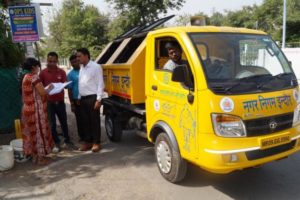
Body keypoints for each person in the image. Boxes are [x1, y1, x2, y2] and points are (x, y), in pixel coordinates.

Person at [21, 58, 54, 165]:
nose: (38, 69)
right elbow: (43, 93)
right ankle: (41, 158)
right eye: (37, 66)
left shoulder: (25, 77)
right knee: (39, 132)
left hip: (27, 110)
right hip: (36, 111)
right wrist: (51, 88)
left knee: (32, 134)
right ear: (33, 67)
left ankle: (35, 156)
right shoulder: (34, 77)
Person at [39, 52, 71, 152]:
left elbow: (65, 84)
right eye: (50, 61)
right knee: (52, 124)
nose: (52, 63)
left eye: (54, 61)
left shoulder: (61, 72)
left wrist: (64, 85)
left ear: (57, 61)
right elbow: (40, 88)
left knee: (63, 121)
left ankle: (67, 140)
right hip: (49, 103)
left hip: (60, 102)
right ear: (47, 60)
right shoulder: (43, 73)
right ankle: (56, 142)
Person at [77, 48, 104, 152]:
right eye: (77, 57)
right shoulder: (82, 68)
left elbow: (100, 84)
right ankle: (88, 142)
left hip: (92, 98)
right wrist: (79, 96)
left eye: (79, 56)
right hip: (83, 98)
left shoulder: (95, 67)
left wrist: (98, 99)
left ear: (86, 55)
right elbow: (81, 83)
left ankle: (96, 142)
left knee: (94, 121)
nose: (78, 58)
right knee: (85, 122)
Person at [67, 54, 84, 142]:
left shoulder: (84, 70)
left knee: (87, 118)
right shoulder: (70, 75)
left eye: (76, 61)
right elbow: (69, 90)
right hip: (76, 100)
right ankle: (82, 136)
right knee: (80, 119)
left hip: (85, 98)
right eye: (72, 62)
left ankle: (90, 136)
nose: (74, 63)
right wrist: (72, 104)